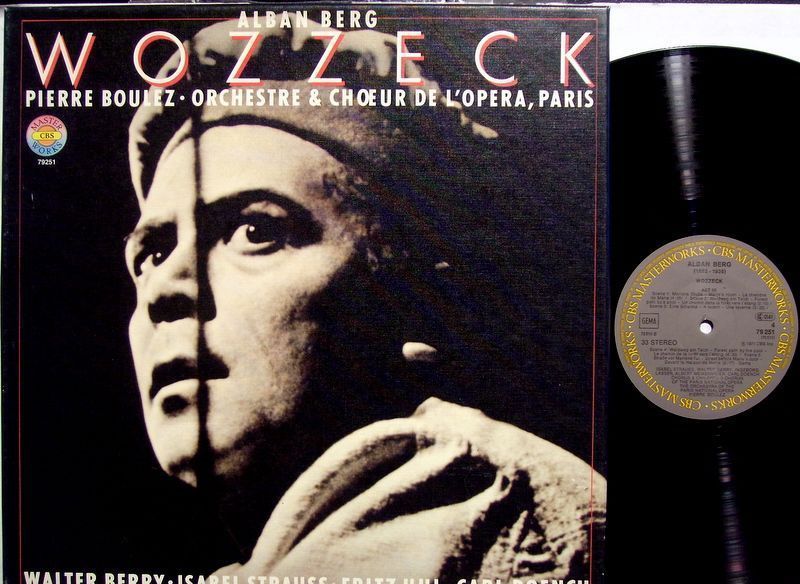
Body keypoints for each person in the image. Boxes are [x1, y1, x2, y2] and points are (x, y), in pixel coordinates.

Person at [125, 18, 605, 582]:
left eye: (256, 231)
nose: (166, 288)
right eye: (152, 254)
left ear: (424, 303)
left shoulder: (524, 538)